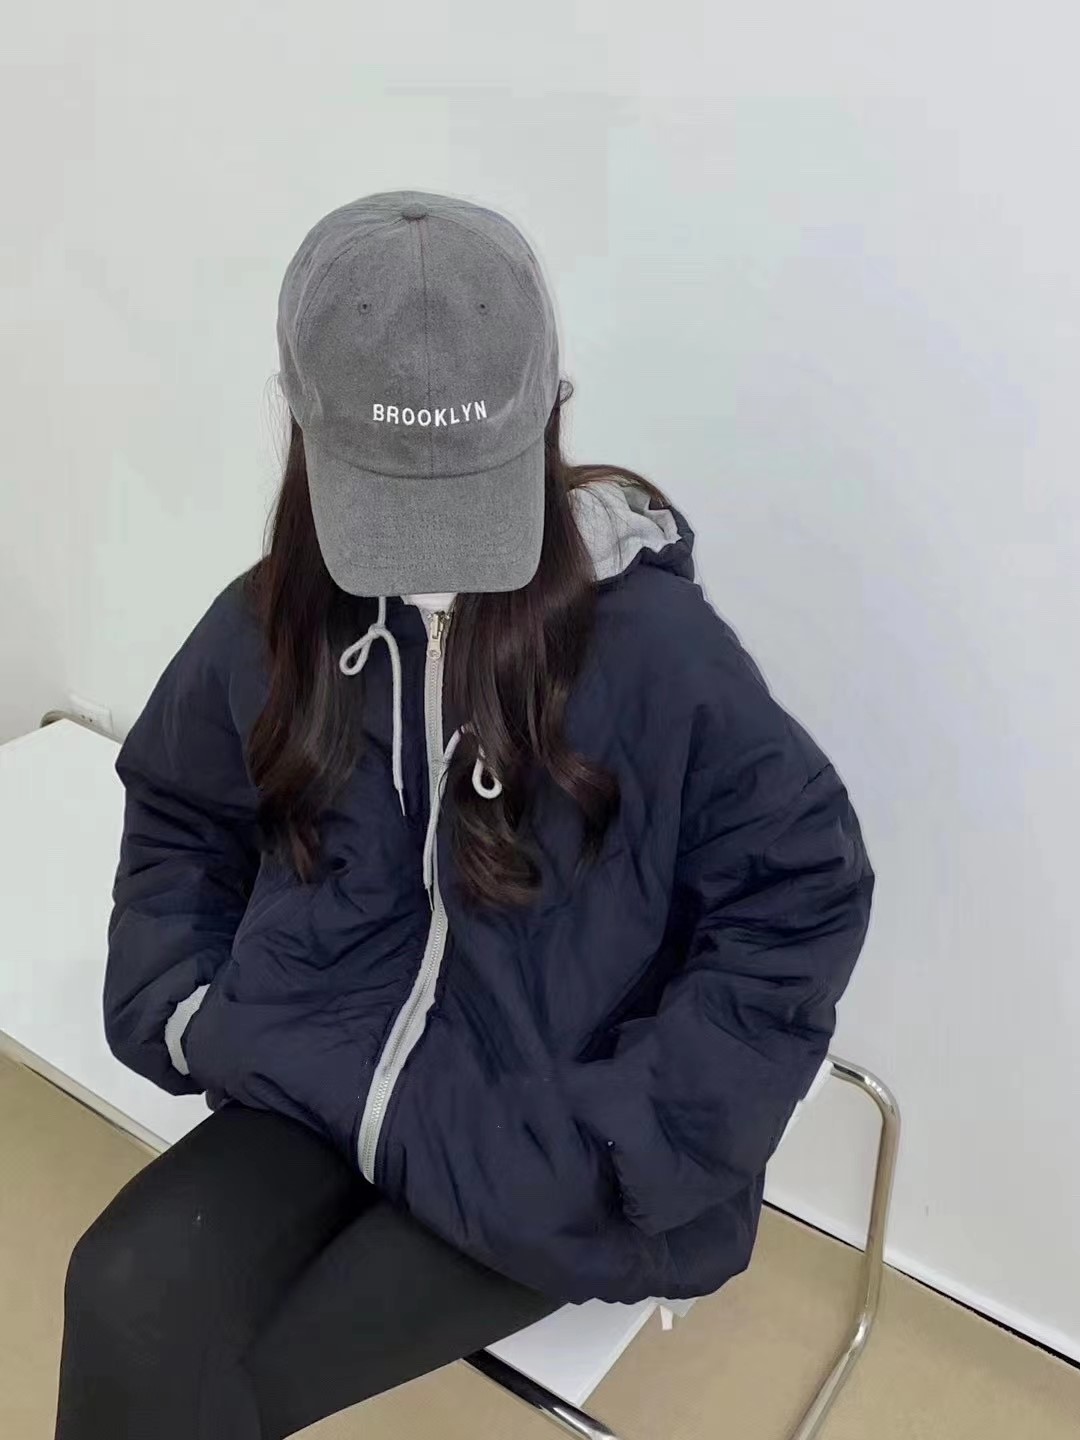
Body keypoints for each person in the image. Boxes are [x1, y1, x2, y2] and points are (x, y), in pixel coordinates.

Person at [54, 190, 874, 1439]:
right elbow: (179, 807)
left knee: (229, 1388)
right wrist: (182, 1003)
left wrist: (640, 1138)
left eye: (463, 501)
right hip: (319, 1065)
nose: (432, 557)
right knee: (121, 1290)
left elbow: (802, 895)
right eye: (393, 504)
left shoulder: (657, 655)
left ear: (549, 412)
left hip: (549, 1127)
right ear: (302, 427)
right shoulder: (273, 617)